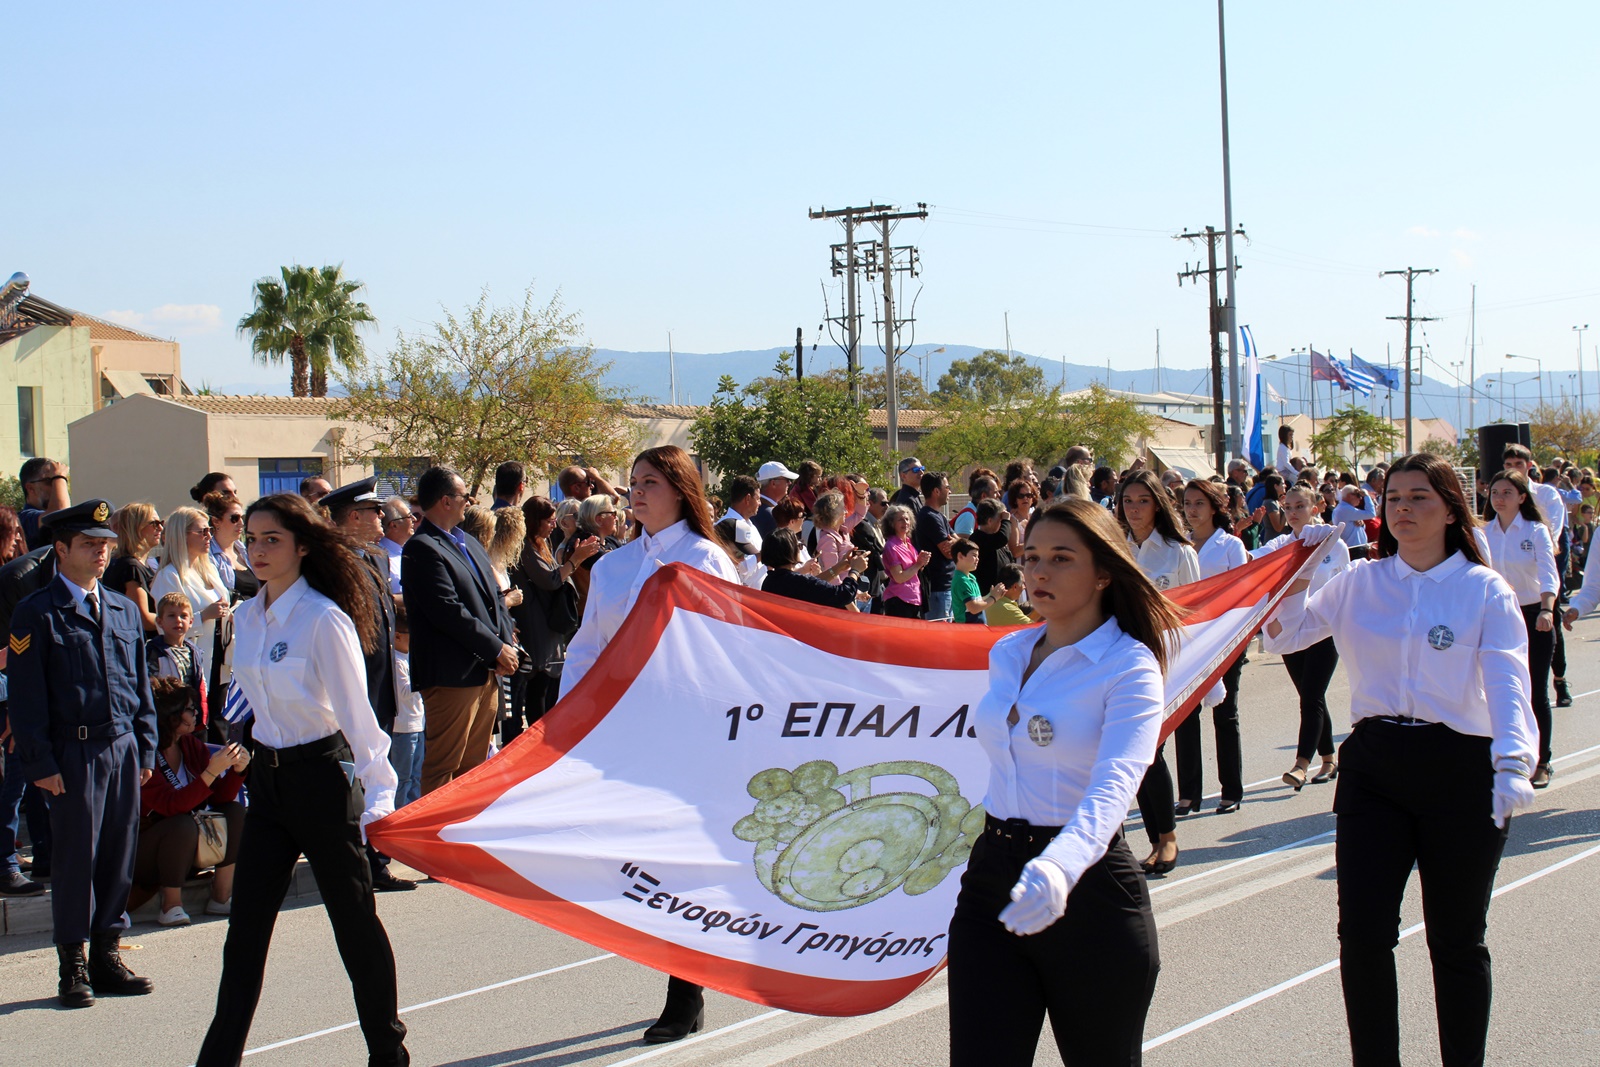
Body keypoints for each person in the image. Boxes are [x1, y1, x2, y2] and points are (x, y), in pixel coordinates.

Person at [1263, 452, 1537, 1067]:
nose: (1403, 509)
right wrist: (1300, 571)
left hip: (1460, 768)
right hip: (1375, 768)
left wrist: (1513, 762)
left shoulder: (1482, 589)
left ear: (1450, 510)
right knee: (1363, 936)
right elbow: (1284, 636)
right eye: (1394, 499)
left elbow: (1508, 681)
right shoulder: (1362, 581)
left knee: (1456, 940)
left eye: (1419, 498)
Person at [947, 497, 1176, 1067]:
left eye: (1061, 558)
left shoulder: (1129, 665)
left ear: (1103, 573)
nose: (1039, 572)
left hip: (1089, 890)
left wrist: (1060, 864)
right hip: (993, 881)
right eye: (1031, 557)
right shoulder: (1008, 651)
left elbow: (1117, 781)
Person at [195, 493, 408, 1067]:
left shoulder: (322, 618)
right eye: (252, 539)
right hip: (267, 785)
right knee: (245, 933)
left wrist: (379, 796)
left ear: (303, 546)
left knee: (354, 925)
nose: (258, 550)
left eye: (273, 540)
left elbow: (360, 719)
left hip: (321, 780)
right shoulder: (246, 617)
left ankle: (388, 1053)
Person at [560, 445, 740, 1044]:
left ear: (682, 491)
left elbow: (726, 646)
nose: (636, 491)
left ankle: (684, 991)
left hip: (685, 731)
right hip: (621, 731)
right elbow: (587, 647)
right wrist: (568, 719)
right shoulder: (612, 566)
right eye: (633, 481)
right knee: (634, 859)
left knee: (677, 858)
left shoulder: (704, 559)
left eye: (651, 482)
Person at [8, 499, 159, 1007]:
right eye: (90, 545)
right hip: (72, 754)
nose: (101, 553)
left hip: (121, 748)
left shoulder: (121, 608)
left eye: (106, 545)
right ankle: (72, 964)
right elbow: (26, 699)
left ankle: (107, 955)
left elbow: (139, 686)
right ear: (61, 549)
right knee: (76, 859)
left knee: (119, 855)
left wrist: (145, 747)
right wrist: (41, 763)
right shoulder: (36, 612)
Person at [400, 466, 518, 795]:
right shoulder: (422, 547)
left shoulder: (470, 543)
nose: (469, 501)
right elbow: (447, 611)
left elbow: (495, 599)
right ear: (445, 501)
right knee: (443, 766)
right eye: (464, 496)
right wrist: (496, 648)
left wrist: (505, 644)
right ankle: (435, 827)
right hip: (451, 675)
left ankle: (466, 824)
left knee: (475, 766)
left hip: (485, 672)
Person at [324, 477, 416, 892]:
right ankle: (355, 862)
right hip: (353, 691)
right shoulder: (335, 565)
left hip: (380, 689)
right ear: (354, 517)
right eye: (374, 511)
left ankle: (375, 860)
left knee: (378, 775)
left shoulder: (373, 559)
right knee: (352, 780)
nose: (382, 516)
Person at [1116, 469, 1197, 875]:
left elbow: (1197, 613)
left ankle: (1166, 838)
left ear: (1158, 504)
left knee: (1151, 751)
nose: (1134, 509)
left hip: (1164, 663)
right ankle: (1144, 840)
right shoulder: (1116, 549)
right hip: (1122, 662)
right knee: (1133, 753)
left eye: (1142, 501)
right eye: (1128, 501)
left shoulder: (1178, 552)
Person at [1254, 484, 1351, 789]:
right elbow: (1253, 560)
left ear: (1315, 508)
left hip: (1323, 630)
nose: (1293, 513)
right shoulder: (1281, 544)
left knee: (1311, 696)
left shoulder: (1333, 544)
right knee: (1311, 697)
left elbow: (1344, 588)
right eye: (1288, 507)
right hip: (1291, 631)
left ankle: (1301, 764)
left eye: (1300, 506)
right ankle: (1329, 758)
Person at [131, 676, 247, 926]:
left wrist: (237, 771)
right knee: (181, 824)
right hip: (147, 852)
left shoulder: (191, 745)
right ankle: (171, 905)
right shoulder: (143, 753)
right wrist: (211, 772)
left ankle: (221, 896)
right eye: (189, 708)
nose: (196, 714)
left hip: (189, 847)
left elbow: (218, 797)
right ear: (170, 715)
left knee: (234, 811)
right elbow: (170, 805)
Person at [1175, 479, 1249, 815]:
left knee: (1225, 711)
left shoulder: (1230, 545)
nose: (1192, 510)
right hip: (1189, 639)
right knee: (1185, 713)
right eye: (1187, 504)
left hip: (1225, 637)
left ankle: (1231, 790)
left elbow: (1244, 592)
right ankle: (1189, 793)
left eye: (1199, 503)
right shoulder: (1180, 544)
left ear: (1214, 507)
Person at [1483, 470, 1558, 788]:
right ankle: (1504, 758)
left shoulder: (1535, 530)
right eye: (1495, 493)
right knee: (1498, 691)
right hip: (1499, 616)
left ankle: (1542, 761)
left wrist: (1547, 609)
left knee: (1535, 691)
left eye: (1507, 493)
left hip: (1533, 614)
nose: (1499, 499)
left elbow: (1549, 573)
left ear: (1522, 497)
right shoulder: (1484, 532)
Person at [507, 497, 596, 742]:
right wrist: (575, 560)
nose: (553, 525)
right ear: (535, 521)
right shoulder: (525, 548)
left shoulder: (541, 544)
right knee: (537, 692)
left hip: (548, 626)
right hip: (535, 625)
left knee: (548, 690)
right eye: (548, 521)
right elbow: (551, 580)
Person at [1504, 445, 1579, 707]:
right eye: (1508, 465)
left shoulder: (1546, 494)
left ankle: (1559, 678)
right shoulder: (1502, 494)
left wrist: (1534, 547)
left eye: (1518, 464)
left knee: (1551, 621)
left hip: (1543, 564)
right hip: (1514, 572)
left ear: (1529, 466)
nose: (1513, 469)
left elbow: (1552, 534)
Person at [151, 508, 231, 702]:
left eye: (210, 530)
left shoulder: (209, 570)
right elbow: (165, 628)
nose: (209, 536)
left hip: (221, 659)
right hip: (189, 667)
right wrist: (203, 616)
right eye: (202, 531)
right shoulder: (169, 576)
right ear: (182, 535)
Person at [760, 529, 868, 608]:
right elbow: (843, 595)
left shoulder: (770, 581)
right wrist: (855, 571)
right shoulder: (796, 582)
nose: (800, 550)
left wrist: (839, 567)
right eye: (799, 546)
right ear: (790, 552)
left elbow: (811, 586)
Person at [146, 592, 206, 720]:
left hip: (189, 714)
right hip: (164, 717)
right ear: (159, 622)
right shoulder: (153, 651)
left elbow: (200, 685)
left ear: (191, 621)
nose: (178, 620)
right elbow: (148, 687)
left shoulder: (195, 652)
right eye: (171, 616)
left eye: (183, 616)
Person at [106, 503, 163, 633]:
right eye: (154, 523)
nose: (160, 528)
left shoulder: (136, 564)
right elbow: (144, 619)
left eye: (161, 523)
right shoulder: (131, 567)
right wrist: (181, 620)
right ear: (135, 527)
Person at [390, 603, 425, 808]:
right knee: (402, 778)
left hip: (417, 724)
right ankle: (398, 812)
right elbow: (403, 692)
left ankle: (413, 810)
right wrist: (422, 678)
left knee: (416, 775)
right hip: (403, 729)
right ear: (397, 636)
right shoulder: (396, 661)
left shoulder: (410, 657)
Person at [916, 472, 957, 622]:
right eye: (947, 487)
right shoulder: (929, 517)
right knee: (939, 632)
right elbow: (948, 552)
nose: (949, 491)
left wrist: (956, 543)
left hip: (946, 587)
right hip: (938, 589)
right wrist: (956, 544)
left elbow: (961, 542)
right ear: (936, 491)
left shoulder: (939, 516)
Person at [204, 491, 258, 599]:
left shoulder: (246, 551)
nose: (241, 523)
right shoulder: (207, 555)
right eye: (235, 518)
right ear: (216, 521)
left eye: (243, 518)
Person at [880, 504, 931, 619]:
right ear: (892, 523)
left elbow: (913, 570)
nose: (905, 522)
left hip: (914, 598)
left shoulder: (908, 544)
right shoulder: (891, 546)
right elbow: (899, 577)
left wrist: (922, 561)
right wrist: (918, 564)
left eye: (907, 519)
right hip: (899, 600)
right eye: (900, 520)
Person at [719, 476, 766, 589]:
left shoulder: (750, 525)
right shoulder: (724, 528)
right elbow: (738, 567)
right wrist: (762, 555)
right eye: (758, 499)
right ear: (748, 498)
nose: (760, 503)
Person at [18, 457, 71, 550]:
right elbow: (60, 515)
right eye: (49, 481)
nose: (56, 486)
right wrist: (59, 477)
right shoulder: (23, 518)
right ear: (30, 488)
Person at [850, 487, 889, 612]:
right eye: (883, 503)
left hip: (877, 585)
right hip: (865, 588)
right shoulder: (861, 524)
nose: (887, 507)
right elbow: (877, 551)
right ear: (870, 503)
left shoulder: (878, 523)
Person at [951, 537, 1000, 623]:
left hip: (977, 628)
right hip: (967, 628)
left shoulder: (971, 577)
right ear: (960, 556)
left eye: (978, 556)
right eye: (974, 555)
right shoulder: (961, 581)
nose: (977, 559)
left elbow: (978, 602)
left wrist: (991, 595)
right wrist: (993, 598)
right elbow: (974, 608)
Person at [378, 498, 414, 594]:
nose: (414, 519)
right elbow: (383, 597)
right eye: (409, 516)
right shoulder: (380, 557)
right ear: (394, 525)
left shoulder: (410, 551)